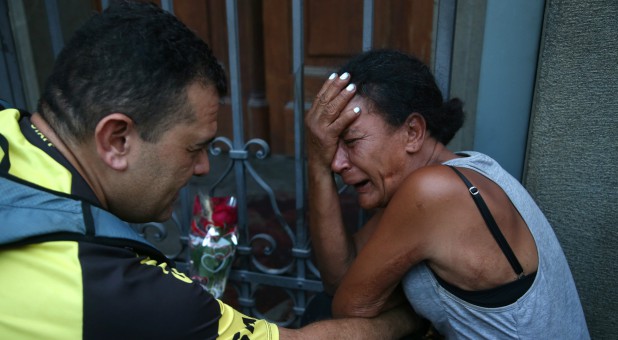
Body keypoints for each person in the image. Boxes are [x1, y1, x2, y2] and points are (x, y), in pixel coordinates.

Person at [0, 3, 419, 339]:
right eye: (195, 147)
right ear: (117, 141)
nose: (203, 167)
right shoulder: (120, 293)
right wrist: (409, 322)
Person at [304, 49, 590, 339]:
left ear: (413, 132)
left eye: (351, 141)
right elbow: (338, 280)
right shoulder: (455, 171)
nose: (337, 163)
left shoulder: (433, 192)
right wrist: (316, 161)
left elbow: (347, 306)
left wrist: (409, 317)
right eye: (330, 148)